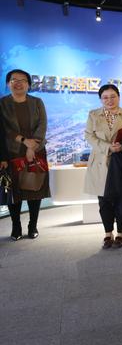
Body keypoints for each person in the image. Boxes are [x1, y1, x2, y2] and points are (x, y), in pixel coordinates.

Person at [84, 84, 122, 249]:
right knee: (104, 201)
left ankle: (121, 234)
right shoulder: (93, 115)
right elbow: (89, 136)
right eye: (105, 97)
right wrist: (108, 147)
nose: (109, 100)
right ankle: (108, 233)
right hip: (100, 163)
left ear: (119, 97)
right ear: (101, 99)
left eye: (113, 96)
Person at [0, 69, 50, 240]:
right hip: (12, 153)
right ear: (8, 84)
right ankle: (16, 226)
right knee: (14, 191)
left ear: (28, 84)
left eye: (23, 80)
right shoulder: (3, 103)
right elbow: (4, 129)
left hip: (36, 151)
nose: (18, 83)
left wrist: (32, 146)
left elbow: (42, 124)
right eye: (14, 80)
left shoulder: (37, 102)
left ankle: (32, 225)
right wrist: (24, 141)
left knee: (35, 189)